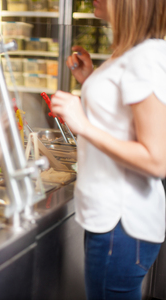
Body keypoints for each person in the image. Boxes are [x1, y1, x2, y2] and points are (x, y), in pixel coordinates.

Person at [51, 0, 166, 299]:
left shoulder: (145, 57)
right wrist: (89, 80)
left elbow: (157, 160)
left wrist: (82, 123)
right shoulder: (128, 53)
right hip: (112, 221)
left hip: (121, 225)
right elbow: (121, 121)